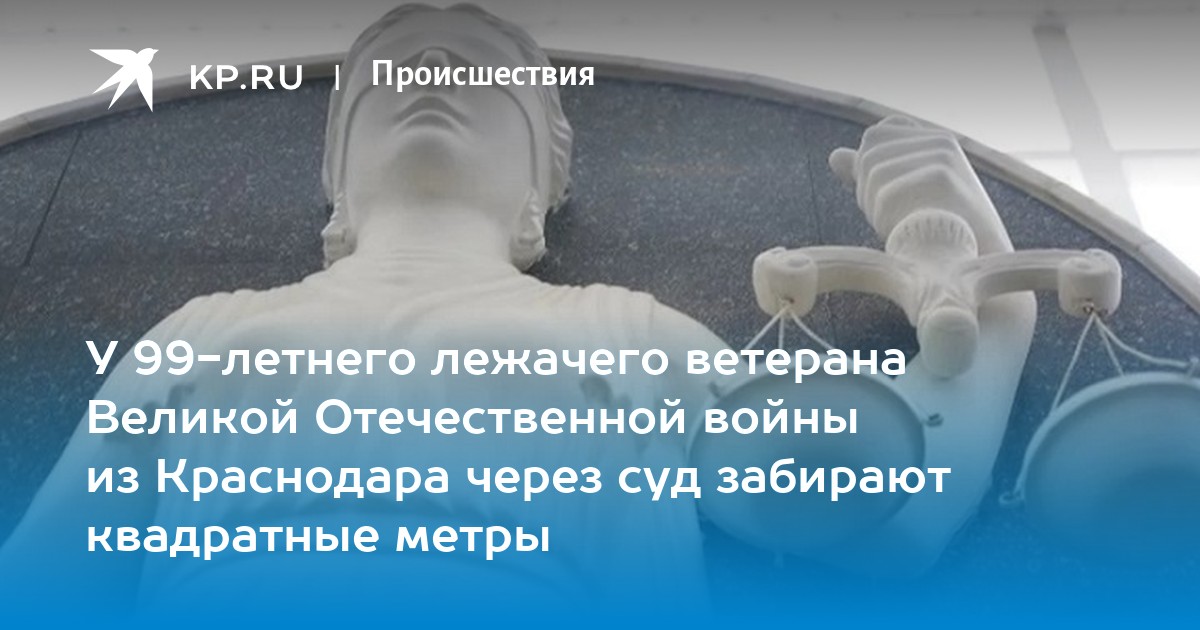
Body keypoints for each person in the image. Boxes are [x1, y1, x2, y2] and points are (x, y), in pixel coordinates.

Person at [0, 4, 726, 617]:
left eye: (481, 71)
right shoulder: (201, 331)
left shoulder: (632, 334)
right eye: (393, 68)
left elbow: (794, 487)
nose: (433, 63)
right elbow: (43, 575)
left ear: (537, 190)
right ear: (338, 179)